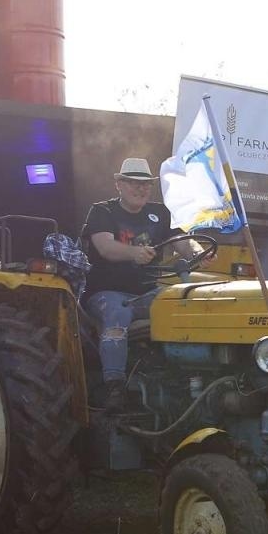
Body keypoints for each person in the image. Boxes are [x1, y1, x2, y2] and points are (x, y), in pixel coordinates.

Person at [80, 158, 175, 410]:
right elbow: (105, 247)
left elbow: (182, 240)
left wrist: (198, 250)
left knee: (182, 302)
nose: (140, 188)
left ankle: (182, 376)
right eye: (133, 182)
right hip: (106, 293)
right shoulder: (103, 212)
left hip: (146, 293)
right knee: (118, 312)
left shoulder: (160, 213)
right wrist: (134, 253)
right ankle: (114, 386)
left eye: (145, 184)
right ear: (119, 185)